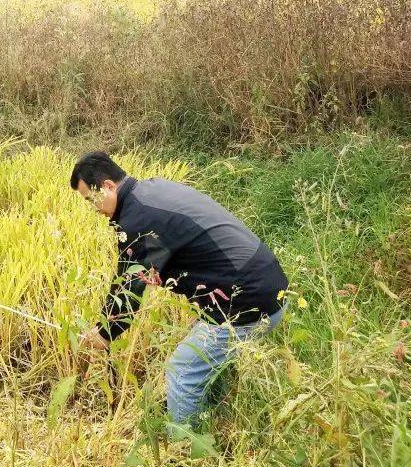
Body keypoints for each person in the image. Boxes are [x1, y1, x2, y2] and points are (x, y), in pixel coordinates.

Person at [71, 150, 288, 425]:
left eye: (92, 200)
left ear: (108, 186)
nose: (94, 209)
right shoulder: (152, 190)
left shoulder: (140, 220)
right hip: (268, 285)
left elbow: (129, 285)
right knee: (206, 361)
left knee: (183, 369)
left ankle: (186, 452)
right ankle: (215, 417)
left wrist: (104, 333)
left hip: (250, 299)